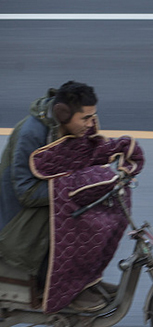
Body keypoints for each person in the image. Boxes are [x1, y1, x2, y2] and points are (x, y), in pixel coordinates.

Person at [0, 81, 111, 310]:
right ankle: (64, 288)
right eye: (85, 118)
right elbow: (25, 192)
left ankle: (85, 280)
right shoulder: (31, 133)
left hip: (42, 203)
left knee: (99, 210)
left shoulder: (69, 128)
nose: (90, 123)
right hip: (17, 221)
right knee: (77, 216)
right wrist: (72, 189)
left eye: (93, 117)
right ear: (63, 113)